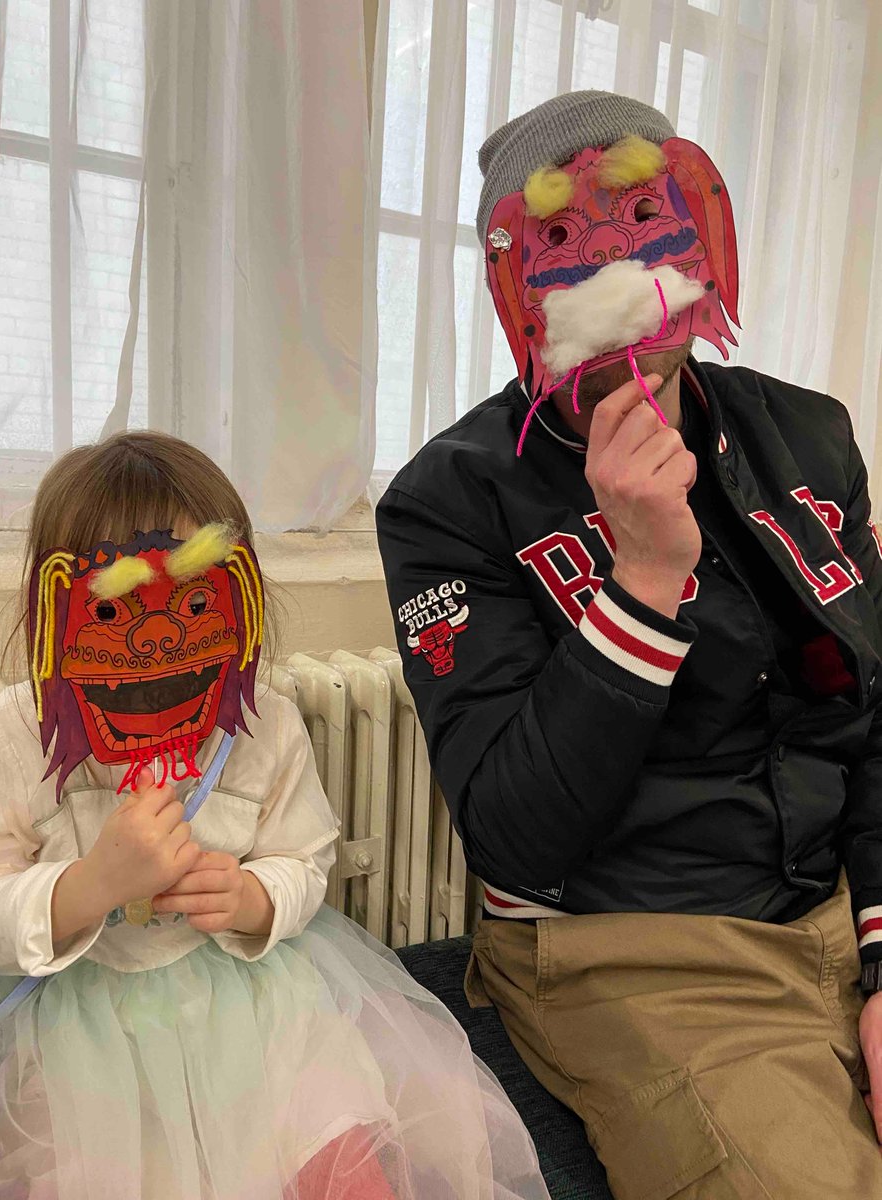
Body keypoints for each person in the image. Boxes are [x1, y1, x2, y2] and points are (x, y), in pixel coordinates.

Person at [376, 89, 882, 1197]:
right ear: (518, 285)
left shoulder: (809, 435)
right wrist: (644, 584)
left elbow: (873, 713)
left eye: (646, 217)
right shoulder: (446, 503)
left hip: (842, 905)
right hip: (632, 950)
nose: (614, 266)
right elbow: (512, 836)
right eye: (564, 238)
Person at [0, 430, 549, 1200]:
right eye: (112, 609)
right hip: (85, 1033)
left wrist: (253, 899)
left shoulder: (263, 726)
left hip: (258, 1008)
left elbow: (305, 855)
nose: (158, 637)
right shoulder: (9, 740)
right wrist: (88, 885)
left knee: (340, 1160)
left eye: (195, 602)